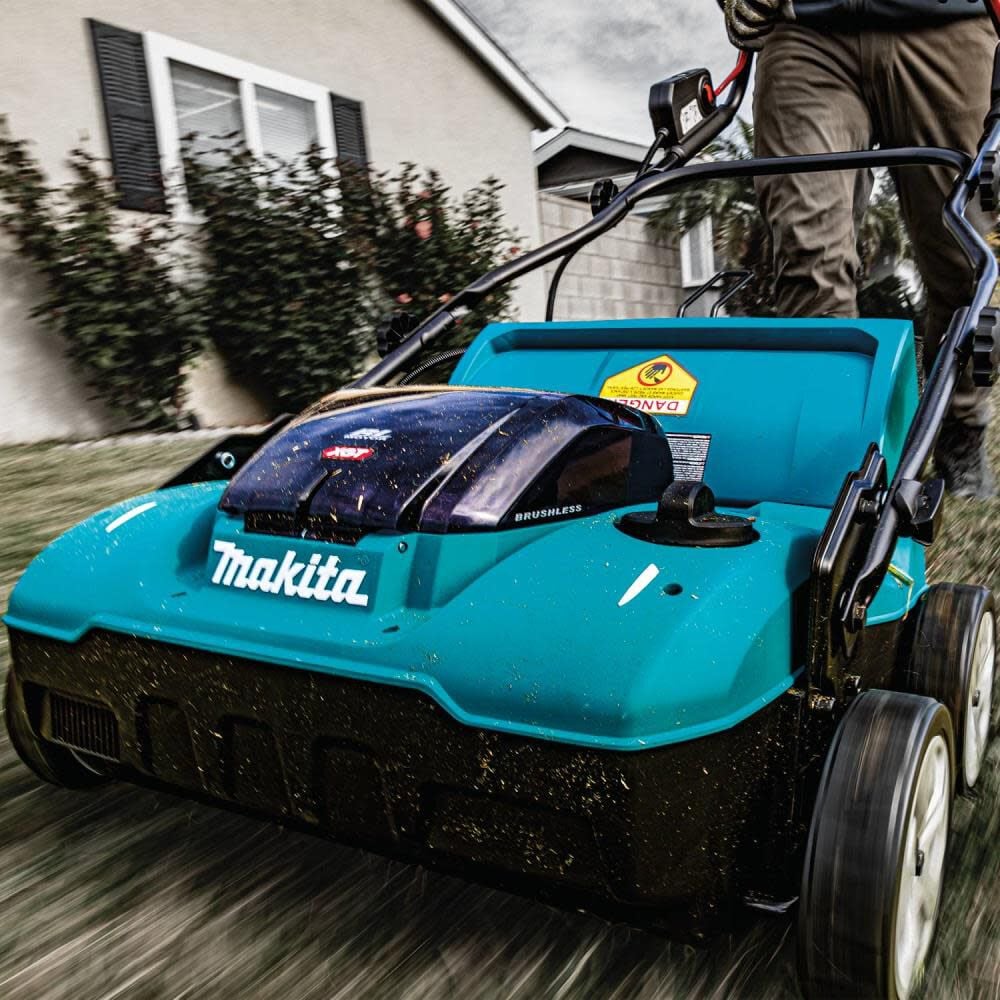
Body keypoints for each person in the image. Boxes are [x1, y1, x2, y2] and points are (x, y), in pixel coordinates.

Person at [723, 0, 998, 497]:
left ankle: (960, 430)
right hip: (806, 30)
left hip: (948, 21)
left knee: (968, 264)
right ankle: (835, 449)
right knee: (807, 255)